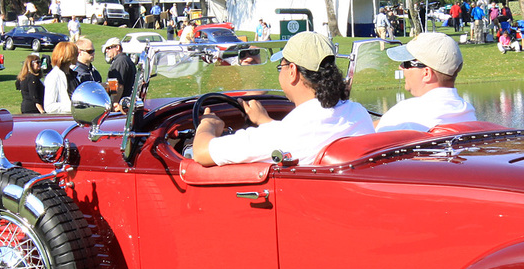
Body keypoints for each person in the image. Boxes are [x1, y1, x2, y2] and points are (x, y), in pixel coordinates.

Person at [192, 31, 373, 167]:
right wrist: (266, 122)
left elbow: (200, 153)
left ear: (292, 71)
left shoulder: (286, 136)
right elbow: (306, 132)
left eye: (282, 66)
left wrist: (208, 124)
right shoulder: (357, 113)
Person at [378, 33, 478, 132]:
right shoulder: (467, 112)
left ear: (426, 73)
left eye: (406, 63)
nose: (400, 67)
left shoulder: (404, 113)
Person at [42, 41, 76, 114]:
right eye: (76, 54)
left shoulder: (72, 74)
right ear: (69, 56)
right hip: (64, 120)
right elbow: (49, 106)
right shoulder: (53, 76)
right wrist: (73, 107)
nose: (78, 56)